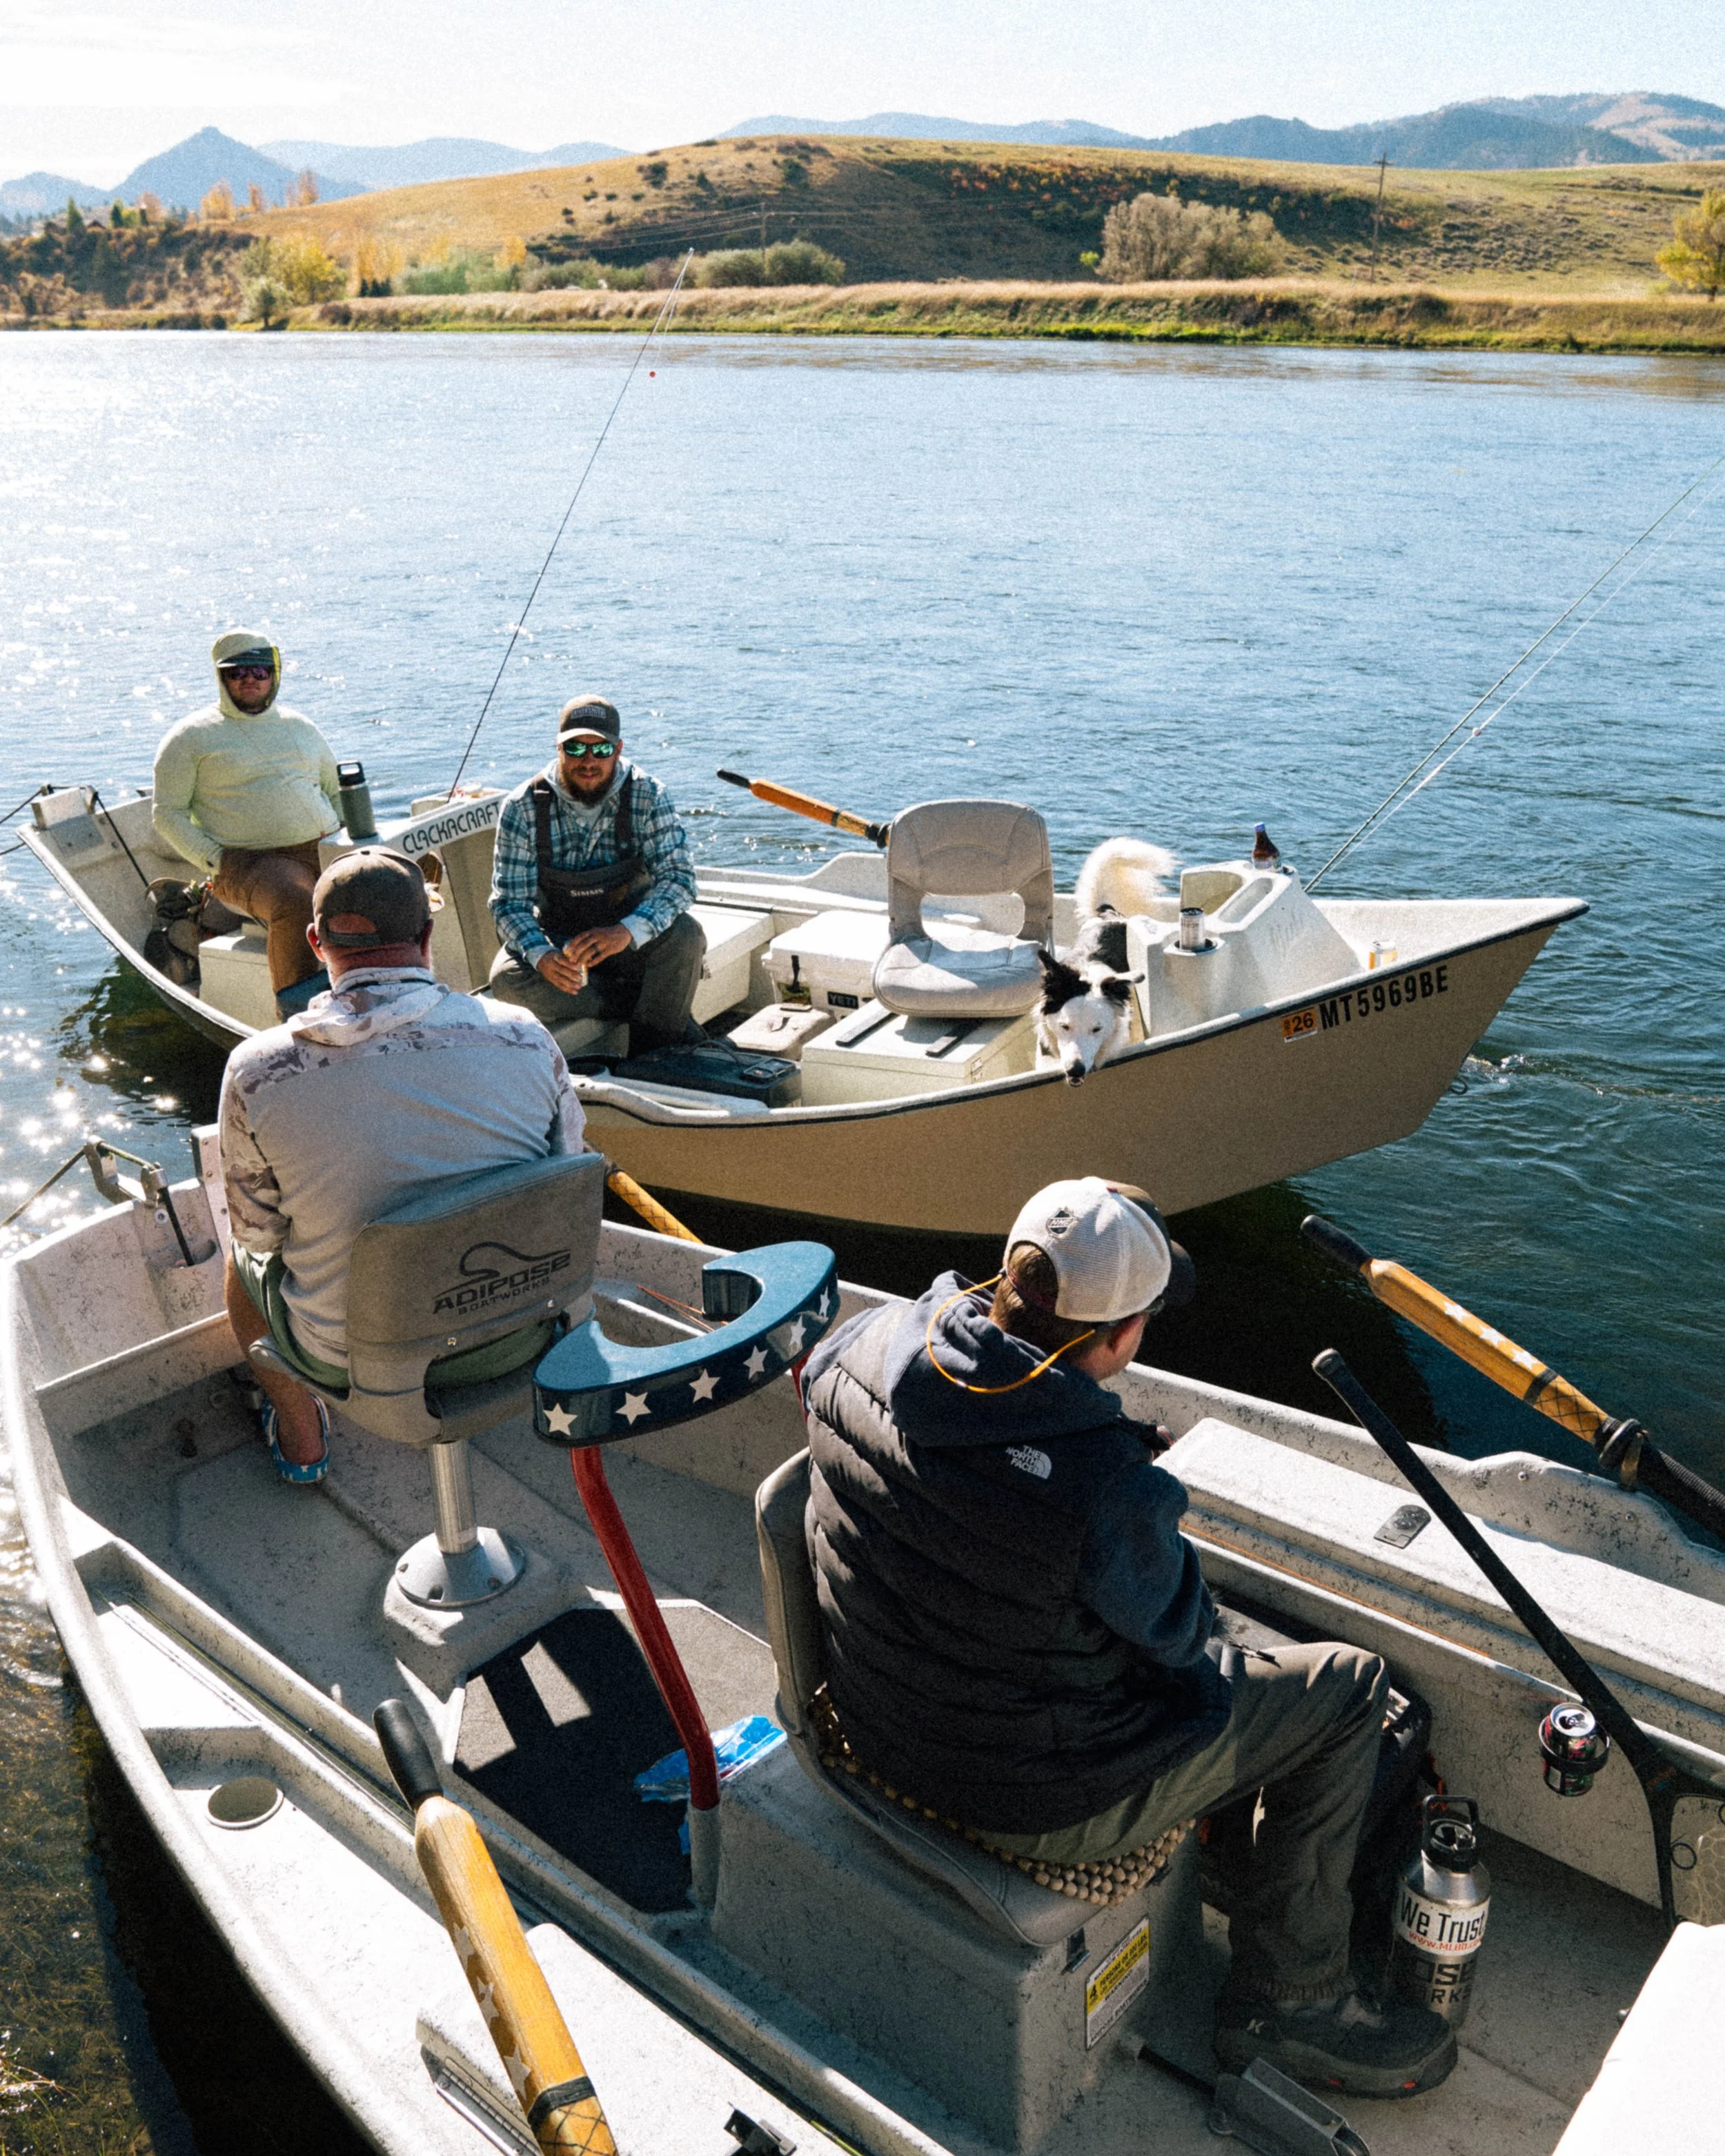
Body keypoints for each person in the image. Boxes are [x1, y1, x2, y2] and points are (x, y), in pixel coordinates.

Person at [799, 1176, 1457, 2099]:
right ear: (1117, 1337)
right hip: (1035, 1798)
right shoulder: (1105, 1485)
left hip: (882, 1722)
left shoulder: (860, 1341)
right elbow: (1183, 1636)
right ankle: (1291, 2002)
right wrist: (1138, 1499)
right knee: (1350, 1689)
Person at [219, 847, 584, 1483]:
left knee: (239, 1261)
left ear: (314, 942)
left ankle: (303, 1439)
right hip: (527, 1331)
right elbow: (567, 1171)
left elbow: (260, 1236)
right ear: (426, 935)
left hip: (361, 1367)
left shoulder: (257, 1070)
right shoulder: (526, 1036)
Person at [486, 695, 704, 1056]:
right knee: (508, 981)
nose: (588, 761)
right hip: (562, 943)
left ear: (617, 750)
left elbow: (680, 879)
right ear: (559, 748)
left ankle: (655, 1057)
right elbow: (509, 904)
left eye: (600, 749)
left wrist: (625, 932)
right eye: (575, 748)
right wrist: (542, 955)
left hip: (630, 938)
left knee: (686, 935)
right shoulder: (522, 807)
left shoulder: (649, 795)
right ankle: (649, 1004)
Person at [152, 631, 344, 1011]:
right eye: (237, 672)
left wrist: (345, 839)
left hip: (322, 848)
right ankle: (297, 1019)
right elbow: (166, 813)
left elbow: (335, 790)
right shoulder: (190, 737)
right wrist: (216, 859)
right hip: (246, 863)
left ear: (274, 674)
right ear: (222, 679)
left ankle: (380, 997)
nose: (250, 679)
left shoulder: (301, 726)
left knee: (385, 885)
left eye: (260, 670)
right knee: (296, 901)